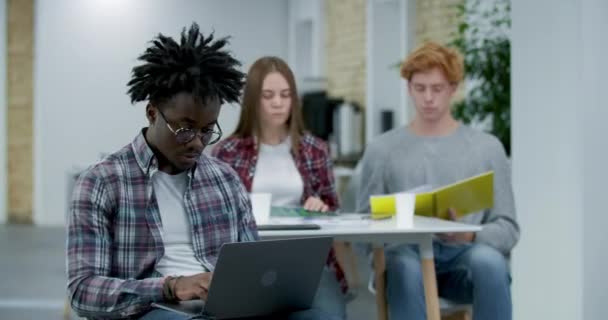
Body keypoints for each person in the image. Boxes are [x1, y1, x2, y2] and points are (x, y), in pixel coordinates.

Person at [67, 24, 330, 320]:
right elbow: (82, 291)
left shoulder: (224, 179)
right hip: (152, 308)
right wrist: (171, 287)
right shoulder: (102, 182)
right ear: (152, 113)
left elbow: (255, 268)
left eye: (207, 130)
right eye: (185, 129)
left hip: (225, 308)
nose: (196, 142)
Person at [357, 42, 520, 320]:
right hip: (405, 260)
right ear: (409, 88)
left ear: (453, 89)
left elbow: (508, 229)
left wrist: (468, 235)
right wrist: (398, 229)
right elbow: (362, 226)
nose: (428, 98)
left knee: (490, 263)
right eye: (420, 88)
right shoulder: (382, 150)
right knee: (403, 265)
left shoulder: (486, 148)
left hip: (463, 259)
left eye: (437, 89)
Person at [212, 56, 347, 319]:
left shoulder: (315, 149)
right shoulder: (227, 152)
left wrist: (322, 208)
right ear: (252, 100)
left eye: (285, 95)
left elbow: (335, 210)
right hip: (249, 261)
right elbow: (214, 219)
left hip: (306, 262)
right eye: (268, 95)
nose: (278, 103)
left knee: (325, 316)